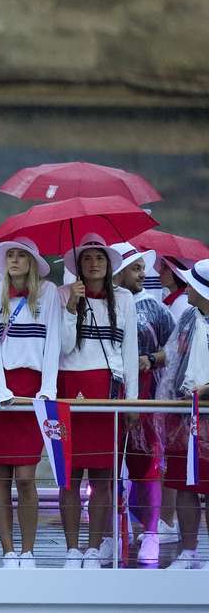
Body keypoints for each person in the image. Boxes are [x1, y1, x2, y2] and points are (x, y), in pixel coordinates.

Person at [0, 237, 61, 569]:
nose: (13, 260)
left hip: (34, 387)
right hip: (1, 387)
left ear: (32, 262)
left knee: (26, 475)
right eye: (9, 255)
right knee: (1, 475)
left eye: (20, 255)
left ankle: (28, 551)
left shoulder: (50, 294)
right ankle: (8, 551)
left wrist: (48, 389)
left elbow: (53, 341)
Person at [58, 233, 138, 569]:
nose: (93, 264)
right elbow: (62, 347)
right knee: (70, 477)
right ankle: (72, 549)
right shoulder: (64, 295)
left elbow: (130, 351)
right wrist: (70, 308)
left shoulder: (124, 300)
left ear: (109, 265)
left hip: (108, 392)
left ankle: (93, 548)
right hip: (70, 387)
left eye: (100, 258)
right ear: (78, 265)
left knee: (104, 476)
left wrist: (132, 401)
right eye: (87, 258)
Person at [110, 242, 174, 565]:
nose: (143, 274)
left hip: (146, 398)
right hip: (108, 397)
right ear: (118, 272)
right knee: (106, 468)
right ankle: (115, 530)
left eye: (142, 268)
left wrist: (151, 358)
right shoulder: (105, 306)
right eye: (135, 268)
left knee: (146, 467)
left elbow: (176, 350)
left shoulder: (156, 308)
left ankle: (150, 533)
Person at [159, 258, 209, 569]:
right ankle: (188, 552)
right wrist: (151, 359)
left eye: (192, 283)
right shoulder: (189, 317)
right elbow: (173, 357)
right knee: (184, 484)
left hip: (207, 410)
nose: (185, 286)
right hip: (184, 413)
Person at [160, 256, 194, 322]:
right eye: (161, 266)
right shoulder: (177, 299)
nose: (160, 271)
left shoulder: (182, 302)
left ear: (177, 273)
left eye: (165, 267)